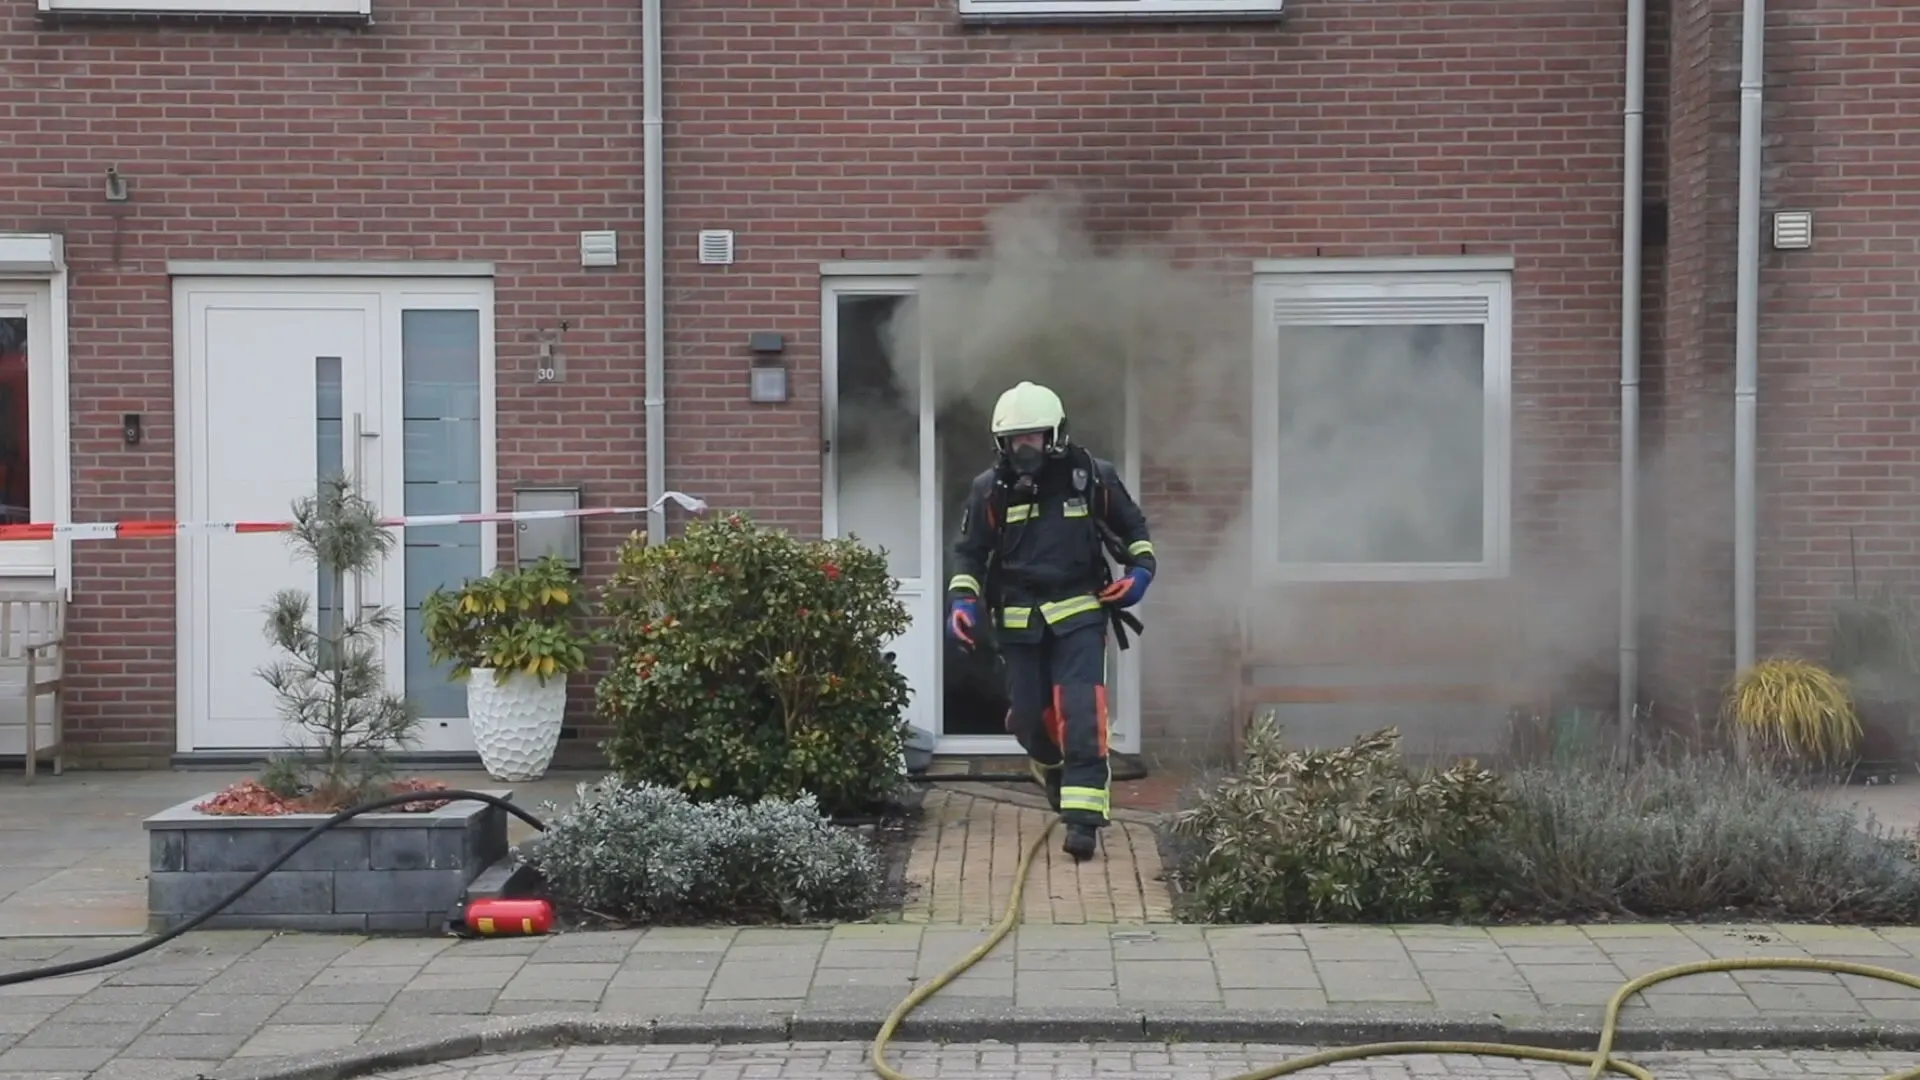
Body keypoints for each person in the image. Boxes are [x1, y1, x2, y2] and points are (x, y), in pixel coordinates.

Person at [945, 381, 1157, 862]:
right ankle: (1048, 765)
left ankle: (1083, 822)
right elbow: (969, 553)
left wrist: (1141, 572)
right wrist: (962, 601)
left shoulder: (1091, 477)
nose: (1024, 448)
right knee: (1027, 721)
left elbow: (1135, 528)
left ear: (1055, 435)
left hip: (1080, 614)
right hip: (1019, 624)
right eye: (1014, 439)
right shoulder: (989, 490)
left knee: (1081, 715)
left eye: (1033, 437)